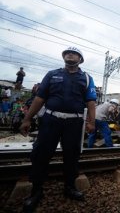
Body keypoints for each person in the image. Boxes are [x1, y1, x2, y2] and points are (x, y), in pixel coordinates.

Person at [19, 46, 96, 212]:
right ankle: (36, 191)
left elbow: (91, 102)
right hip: (50, 120)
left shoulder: (87, 78)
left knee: (72, 155)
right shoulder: (52, 74)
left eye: (75, 53)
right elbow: (40, 98)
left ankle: (69, 187)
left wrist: (91, 122)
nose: (70, 54)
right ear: (63, 57)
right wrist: (27, 119)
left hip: (74, 123)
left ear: (80, 59)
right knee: (41, 154)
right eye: (67, 53)